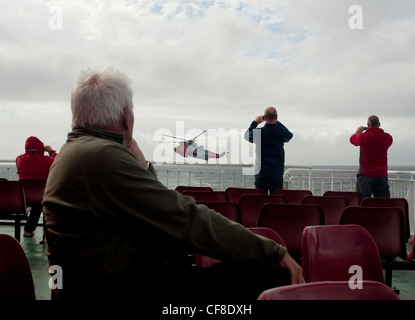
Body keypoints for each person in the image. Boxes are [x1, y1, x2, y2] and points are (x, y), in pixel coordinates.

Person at [43, 67, 303, 301]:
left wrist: (143, 167)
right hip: (115, 289)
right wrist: (273, 251)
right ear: (126, 117)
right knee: (267, 275)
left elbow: (151, 211)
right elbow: (184, 217)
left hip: (94, 284)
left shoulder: (77, 152)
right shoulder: (102, 157)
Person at [244, 107, 293, 194]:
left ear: (265, 117)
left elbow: (247, 136)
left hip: (261, 173)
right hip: (277, 173)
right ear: (276, 116)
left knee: (261, 200)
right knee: (276, 201)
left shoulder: (258, 132)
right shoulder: (281, 132)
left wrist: (255, 122)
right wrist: (277, 122)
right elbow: (289, 135)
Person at [16, 136, 57, 237]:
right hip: (42, 196)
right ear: (40, 147)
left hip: (24, 197)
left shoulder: (20, 159)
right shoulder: (46, 160)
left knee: (36, 207)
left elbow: (25, 156)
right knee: (41, 205)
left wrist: (32, 151)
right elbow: (58, 161)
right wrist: (50, 151)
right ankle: (46, 233)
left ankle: (28, 230)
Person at [350, 115, 393, 199]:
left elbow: (352, 139)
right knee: (383, 203)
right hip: (381, 175)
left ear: (368, 125)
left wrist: (358, 131)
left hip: (365, 175)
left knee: (362, 202)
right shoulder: (388, 137)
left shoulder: (362, 137)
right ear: (379, 124)